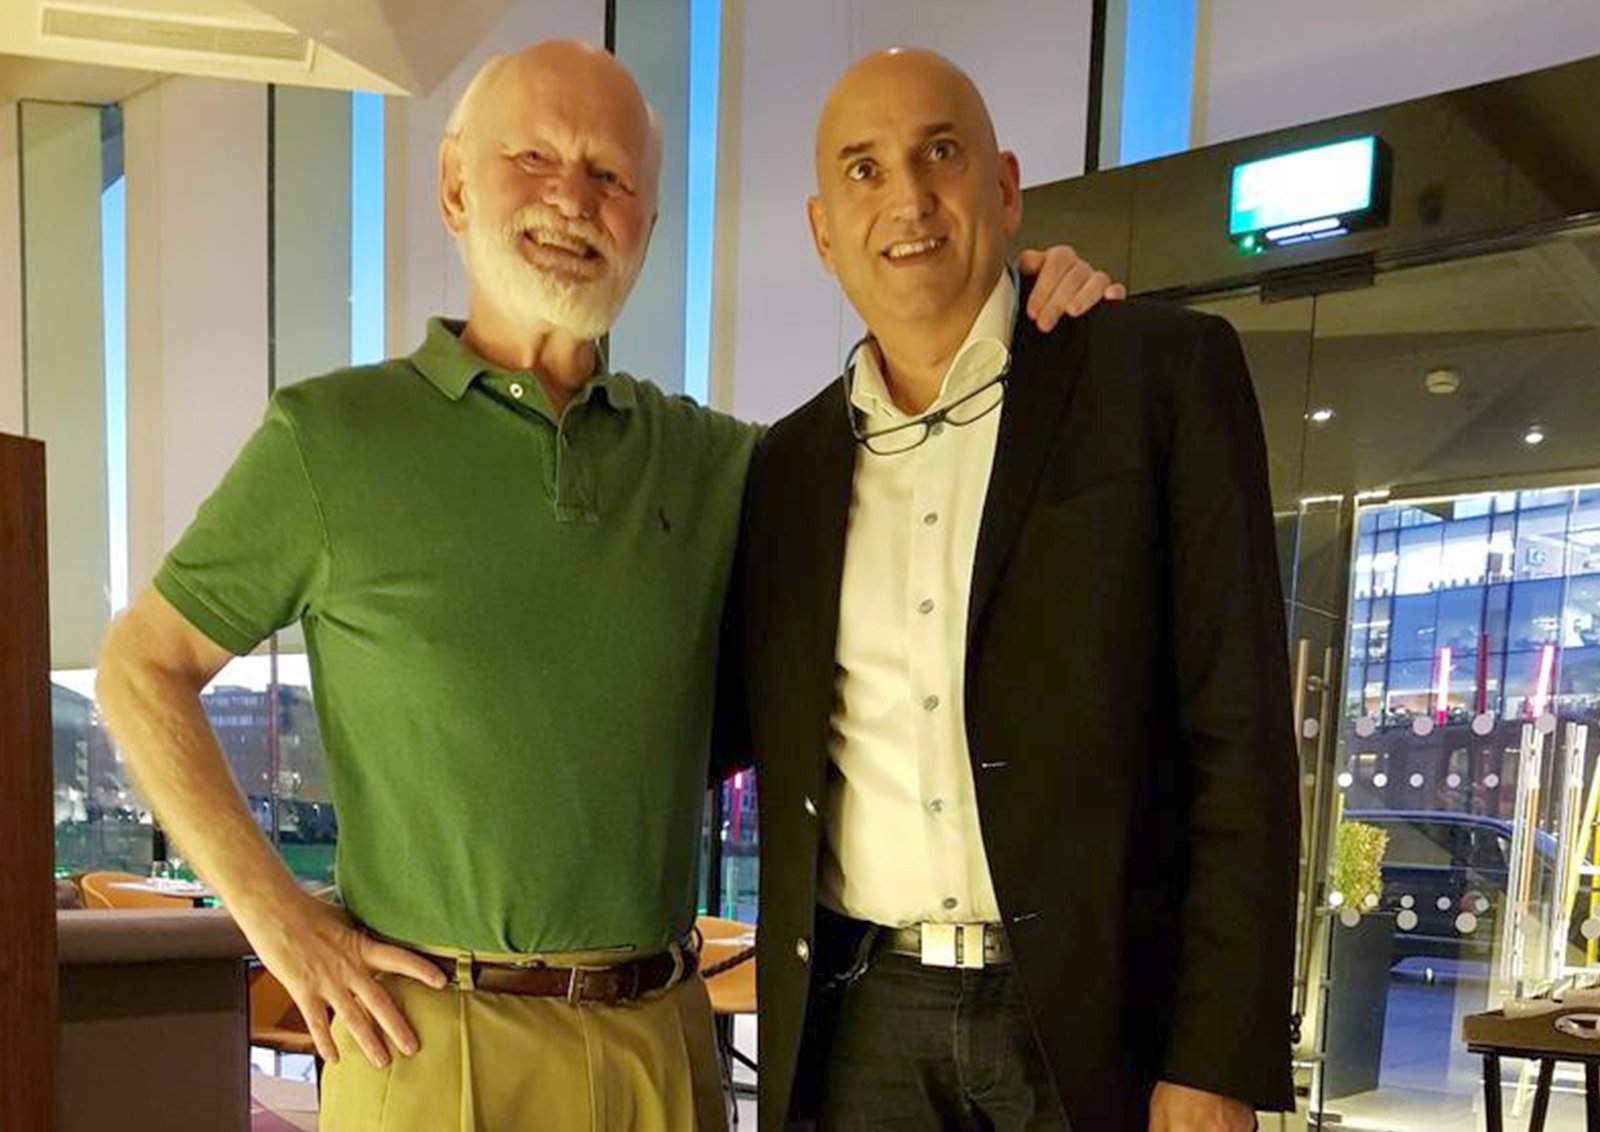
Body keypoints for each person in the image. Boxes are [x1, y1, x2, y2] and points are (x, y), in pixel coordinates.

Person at [95, 39, 1117, 1132]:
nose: (572, 201)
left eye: (610, 176)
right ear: (454, 187)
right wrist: (277, 920)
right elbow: (141, 667)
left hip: (661, 1041)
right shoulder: (330, 439)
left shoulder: (720, 462)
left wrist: (1025, 296)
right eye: (533, 159)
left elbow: (923, 455)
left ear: (648, 224)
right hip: (432, 1041)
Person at [729, 49, 1300, 1132]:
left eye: (939, 152)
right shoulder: (785, 468)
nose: (906, 197)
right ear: (821, 230)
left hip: (1100, 1025)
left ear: (1002, 186)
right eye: (862, 169)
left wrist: (1216, 1057)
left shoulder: (1156, 376)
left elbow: (1242, 742)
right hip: (866, 1023)